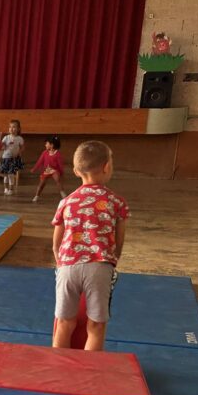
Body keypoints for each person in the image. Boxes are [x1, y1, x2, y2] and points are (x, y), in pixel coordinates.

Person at [52, 141, 129, 351]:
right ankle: (89, 368)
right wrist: (112, 260)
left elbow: (56, 242)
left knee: (64, 323)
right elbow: (119, 239)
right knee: (95, 326)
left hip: (68, 267)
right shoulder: (116, 202)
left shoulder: (66, 202)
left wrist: (61, 262)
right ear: (107, 167)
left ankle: (57, 366)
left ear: (76, 171)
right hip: (99, 266)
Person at [32, 136, 65, 202]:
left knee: (57, 179)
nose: (45, 145)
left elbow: (60, 164)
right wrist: (34, 168)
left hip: (54, 170)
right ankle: (36, 196)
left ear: (52, 145)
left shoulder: (57, 154)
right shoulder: (44, 153)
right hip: (47, 170)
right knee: (41, 184)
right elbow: (39, 161)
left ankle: (63, 194)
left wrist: (61, 172)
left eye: (46, 143)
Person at [0, 119, 25, 195]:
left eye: (14, 127)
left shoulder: (19, 138)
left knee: (11, 174)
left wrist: (19, 153)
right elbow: (1, 146)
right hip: (6, 158)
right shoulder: (6, 137)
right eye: (10, 127)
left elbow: (22, 147)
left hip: (14, 159)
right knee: (6, 175)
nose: (11, 129)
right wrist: (1, 140)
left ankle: (11, 189)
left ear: (18, 129)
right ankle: (6, 188)